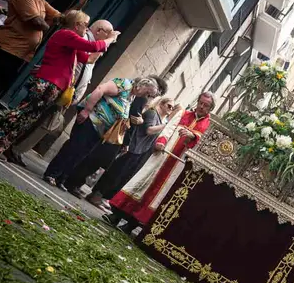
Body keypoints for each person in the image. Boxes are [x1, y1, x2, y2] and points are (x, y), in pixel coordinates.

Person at [0, 10, 116, 159]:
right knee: (21, 113)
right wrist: (111, 38)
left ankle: (0, 145)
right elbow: (93, 47)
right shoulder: (66, 34)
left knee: (28, 118)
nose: (87, 28)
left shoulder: (72, 39)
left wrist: (106, 43)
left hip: (54, 86)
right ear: (77, 25)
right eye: (85, 24)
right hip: (47, 82)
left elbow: (87, 58)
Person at [106, 91, 212, 231]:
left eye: (206, 105)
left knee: (156, 196)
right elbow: (168, 129)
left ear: (210, 108)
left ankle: (131, 225)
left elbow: (204, 149)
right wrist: (161, 141)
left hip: (176, 166)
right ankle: (116, 215)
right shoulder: (183, 114)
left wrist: (194, 136)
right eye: (200, 103)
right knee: (141, 183)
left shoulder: (209, 127)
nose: (201, 107)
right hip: (161, 156)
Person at [43, 76, 161, 187]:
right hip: (91, 119)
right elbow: (100, 89)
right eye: (147, 93)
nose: (147, 96)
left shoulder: (132, 96)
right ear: (142, 85)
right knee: (74, 147)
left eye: (149, 95)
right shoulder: (124, 84)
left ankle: (61, 178)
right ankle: (52, 173)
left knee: (81, 153)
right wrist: (86, 110)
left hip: (101, 128)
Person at [85, 97, 179, 212]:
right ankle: (96, 195)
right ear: (162, 104)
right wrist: (166, 126)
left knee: (123, 176)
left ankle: (104, 197)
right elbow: (149, 130)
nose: (170, 109)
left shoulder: (160, 119)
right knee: (116, 173)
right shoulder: (152, 113)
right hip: (133, 148)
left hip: (141, 151)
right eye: (169, 105)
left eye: (172, 107)